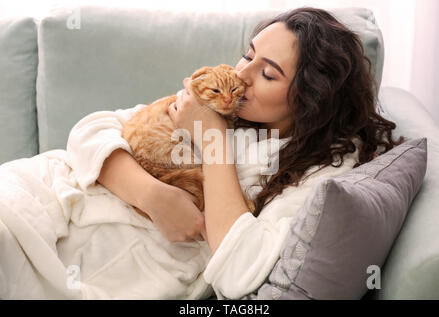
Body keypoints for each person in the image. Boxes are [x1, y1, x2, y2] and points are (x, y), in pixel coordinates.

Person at [0, 7, 404, 300]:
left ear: (312, 98)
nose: (241, 76)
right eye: (248, 55)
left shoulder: (320, 173)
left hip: (96, 254)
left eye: (267, 73)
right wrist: (152, 195)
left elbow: (240, 271)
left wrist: (212, 138)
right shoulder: (218, 101)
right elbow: (93, 130)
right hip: (46, 189)